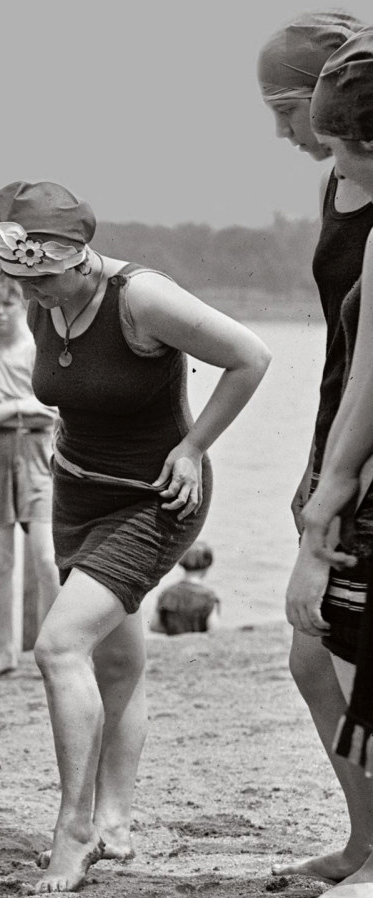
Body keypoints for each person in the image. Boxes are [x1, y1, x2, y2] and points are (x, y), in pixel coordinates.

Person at [0, 181, 270, 893]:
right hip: (76, 494)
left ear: (80, 259)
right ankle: (114, 819)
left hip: (156, 500)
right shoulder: (44, 298)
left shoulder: (140, 298)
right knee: (115, 664)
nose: (33, 295)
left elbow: (250, 356)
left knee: (57, 646)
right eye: (22, 281)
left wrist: (196, 447)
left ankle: (73, 828)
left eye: (43, 279)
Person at [259, 11, 373, 889]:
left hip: (361, 449)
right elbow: (345, 351)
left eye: (284, 109)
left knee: (324, 647)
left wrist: (335, 485)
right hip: (340, 427)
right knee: (313, 653)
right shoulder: (341, 182)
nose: (282, 131)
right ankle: (365, 841)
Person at [0, 269, 60, 680]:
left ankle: (56, 647)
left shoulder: (40, 353)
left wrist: (31, 412)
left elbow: (58, 410)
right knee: (0, 561)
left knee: (47, 558)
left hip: (40, 456)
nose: (0, 312)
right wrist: (19, 407)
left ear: (22, 305)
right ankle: (4, 651)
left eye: (8, 303)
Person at [149, 542, 220, 635]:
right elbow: (213, 630)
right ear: (208, 565)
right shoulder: (209, 596)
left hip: (173, 644)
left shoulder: (167, 592)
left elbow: (154, 626)